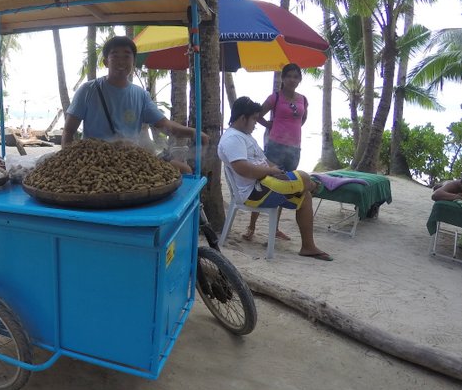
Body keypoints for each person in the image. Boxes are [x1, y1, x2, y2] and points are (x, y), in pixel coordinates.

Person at [62, 35, 207, 172]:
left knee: (185, 170)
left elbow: (165, 125)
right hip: (95, 159)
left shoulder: (141, 94)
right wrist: (67, 162)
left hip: (133, 156)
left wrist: (194, 132)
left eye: (126, 56)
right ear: (106, 61)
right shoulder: (88, 90)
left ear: (133, 61)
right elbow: (69, 131)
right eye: (115, 55)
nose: (121, 61)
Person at [218, 96, 332, 261]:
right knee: (305, 178)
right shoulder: (233, 139)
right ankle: (314, 186)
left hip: (264, 184)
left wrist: (276, 170)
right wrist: (270, 171)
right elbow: (242, 169)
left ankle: (308, 246)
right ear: (243, 118)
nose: (256, 124)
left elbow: (263, 160)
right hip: (254, 192)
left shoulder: (244, 135)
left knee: (304, 195)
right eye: (254, 119)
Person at [246, 63, 308, 242]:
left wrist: (292, 130)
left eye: (296, 76)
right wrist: (270, 125)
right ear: (283, 78)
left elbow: (303, 119)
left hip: (294, 149)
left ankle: (275, 228)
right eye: (289, 76)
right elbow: (258, 115)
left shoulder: (303, 99)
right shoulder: (275, 97)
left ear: (300, 79)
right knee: (265, 182)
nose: (292, 80)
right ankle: (251, 226)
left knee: (286, 186)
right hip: (275, 146)